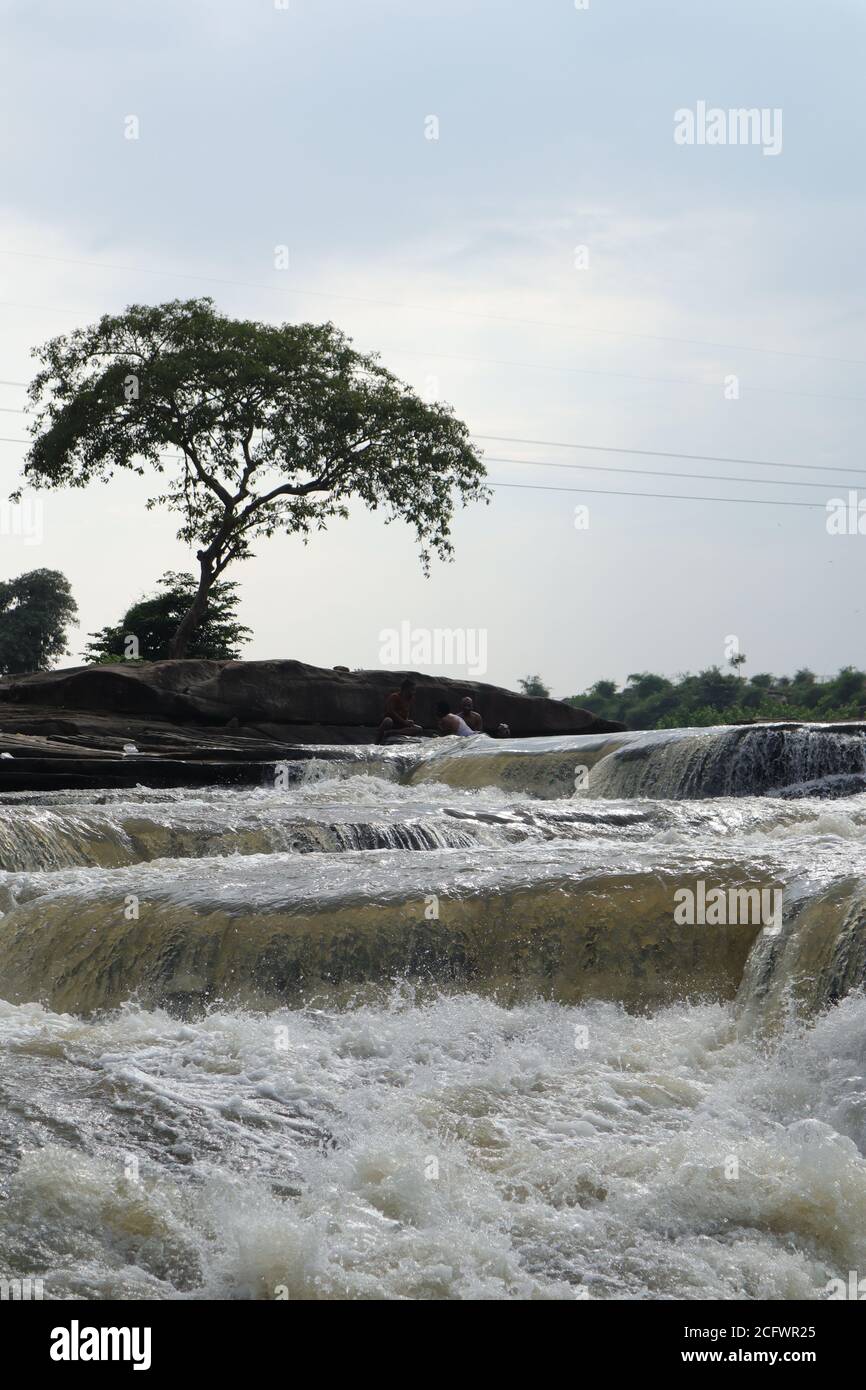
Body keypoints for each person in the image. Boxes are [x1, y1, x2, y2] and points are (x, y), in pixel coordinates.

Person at [376, 678, 424, 743]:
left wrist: (407, 721)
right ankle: (377, 742)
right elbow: (391, 711)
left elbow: (406, 712)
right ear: (406, 689)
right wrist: (404, 721)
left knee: (419, 729)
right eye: (412, 689)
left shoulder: (410, 699)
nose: (414, 692)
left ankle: (392, 732)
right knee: (388, 721)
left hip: (401, 725)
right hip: (392, 723)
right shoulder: (394, 696)